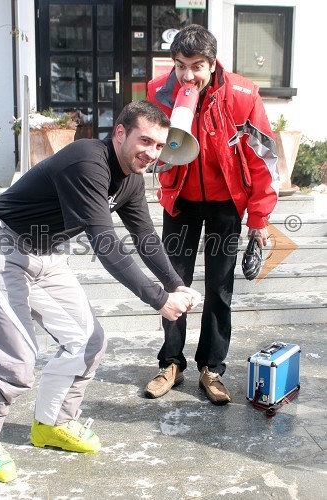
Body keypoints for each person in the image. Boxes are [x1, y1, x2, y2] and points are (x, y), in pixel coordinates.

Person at [0, 100, 201, 483]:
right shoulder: (87, 161)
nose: (152, 153)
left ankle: (53, 423)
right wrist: (158, 299)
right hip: (0, 244)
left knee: (89, 341)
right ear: (120, 133)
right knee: (16, 360)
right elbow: (105, 242)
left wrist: (175, 283)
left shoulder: (132, 179)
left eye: (159, 145)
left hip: (46, 253)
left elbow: (144, 237)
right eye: (144, 141)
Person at [145, 25, 279, 405]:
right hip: (181, 200)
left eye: (197, 66)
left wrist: (258, 218)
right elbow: (147, 141)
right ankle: (171, 362)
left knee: (220, 287)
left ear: (212, 63)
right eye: (181, 65)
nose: (187, 76)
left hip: (226, 203)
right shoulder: (158, 90)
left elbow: (261, 159)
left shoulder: (242, 94)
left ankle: (212, 368)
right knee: (175, 282)